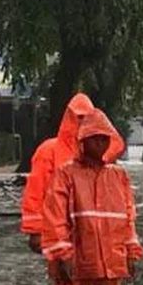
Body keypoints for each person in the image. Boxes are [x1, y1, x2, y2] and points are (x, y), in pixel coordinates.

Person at [41, 109, 143, 285]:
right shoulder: (66, 174)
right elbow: (55, 218)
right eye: (95, 138)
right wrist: (62, 255)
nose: (101, 143)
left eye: (104, 138)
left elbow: (127, 217)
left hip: (110, 266)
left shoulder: (118, 176)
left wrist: (131, 253)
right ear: (83, 141)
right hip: (76, 266)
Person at [20, 93, 95, 253]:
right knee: (63, 273)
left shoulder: (97, 153)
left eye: (86, 118)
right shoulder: (49, 150)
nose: (82, 123)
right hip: (57, 230)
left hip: (90, 233)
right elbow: (35, 191)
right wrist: (35, 231)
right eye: (79, 117)